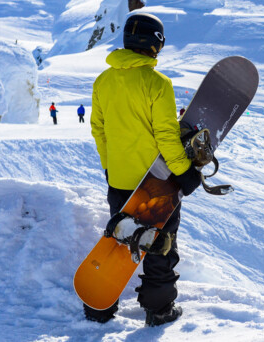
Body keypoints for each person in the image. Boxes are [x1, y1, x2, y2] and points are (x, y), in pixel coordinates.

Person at [87, 11, 201, 327]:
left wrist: (110, 167)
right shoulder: (158, 84)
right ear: (155, 44)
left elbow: (99, 130)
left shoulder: (103, 80)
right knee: (159, 246)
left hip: (120, 181)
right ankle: (159, 308)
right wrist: (185, 173)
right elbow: (166, 135)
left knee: (120, 239)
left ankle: (99, 307)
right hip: (156, 184)